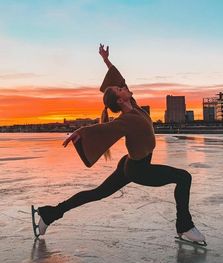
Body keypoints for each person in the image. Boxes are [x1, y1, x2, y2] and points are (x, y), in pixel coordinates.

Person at [34, 44, 206, 245]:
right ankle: (185, 227)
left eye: (122, 87)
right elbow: (103, 129)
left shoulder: (134, 106)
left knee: (97, 193)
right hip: (139, 169)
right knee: (183, 178)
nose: (124, 87)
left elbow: (119, 79)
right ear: (119, 99)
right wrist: (79, 132)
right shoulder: (126, 119)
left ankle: (49, 214)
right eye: (120, 89)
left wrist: (106, 60)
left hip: (129, 164)